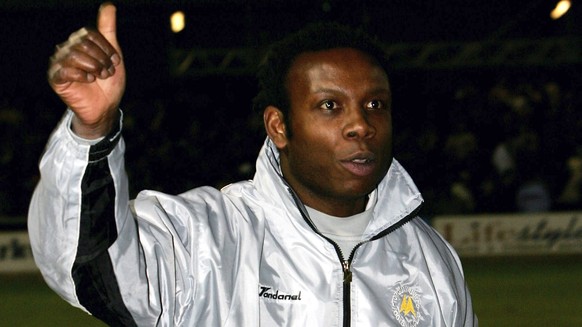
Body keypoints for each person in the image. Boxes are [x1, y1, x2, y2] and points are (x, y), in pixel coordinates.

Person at [28, 3, 476, 326]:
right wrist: (93, 132)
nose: (361, 125)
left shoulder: (429, 261)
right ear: (279, 126)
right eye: (329, 106)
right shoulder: (208, 237)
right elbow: (93, 271)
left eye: (375, 103)